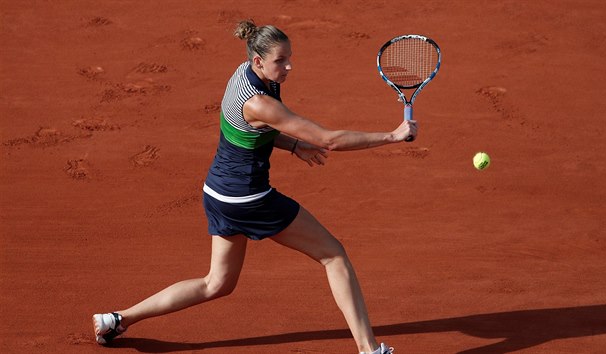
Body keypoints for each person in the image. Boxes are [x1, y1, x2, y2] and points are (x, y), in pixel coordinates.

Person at [92, 19, 416, 354]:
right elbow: (328, 139)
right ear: (259, 61)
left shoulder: (242, 75)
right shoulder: (261, 102)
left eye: (289, 57)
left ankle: (117, 319)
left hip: (217, 193)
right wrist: (392, 135)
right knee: (333, 255)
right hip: (250, 199)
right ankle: (368, 349)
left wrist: (290, 145)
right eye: (280, 60)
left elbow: (251, 129)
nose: (289, 66)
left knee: (215, 284)